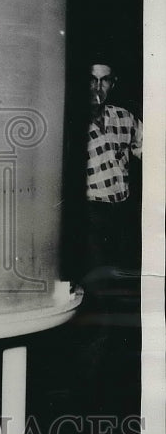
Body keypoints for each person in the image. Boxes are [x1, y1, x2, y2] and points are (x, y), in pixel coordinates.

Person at [84, 59, 143, 280]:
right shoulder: (69, 121)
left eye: (104, 80)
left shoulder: (124, 117)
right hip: (90, 213)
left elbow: (148, 149)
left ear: (113, 84)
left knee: (120, 275)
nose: (97, 87)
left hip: (122, 211)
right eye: (91, 79)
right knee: (96, 276)